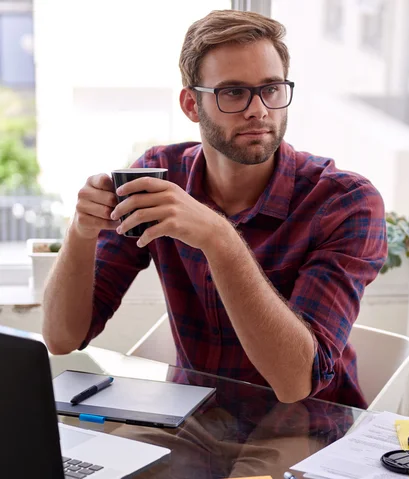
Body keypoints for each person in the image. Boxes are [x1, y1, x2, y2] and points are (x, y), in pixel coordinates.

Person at [42, 10, 387, 408]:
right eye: (234, 92)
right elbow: (62, 338)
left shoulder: (344, 202)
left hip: (309, 427)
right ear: (191, 105)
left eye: (271, 89)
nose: (259, 109)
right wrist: (81, 232)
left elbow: (296, 383)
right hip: (192, 418)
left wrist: (218, 237)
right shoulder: (163, 177)